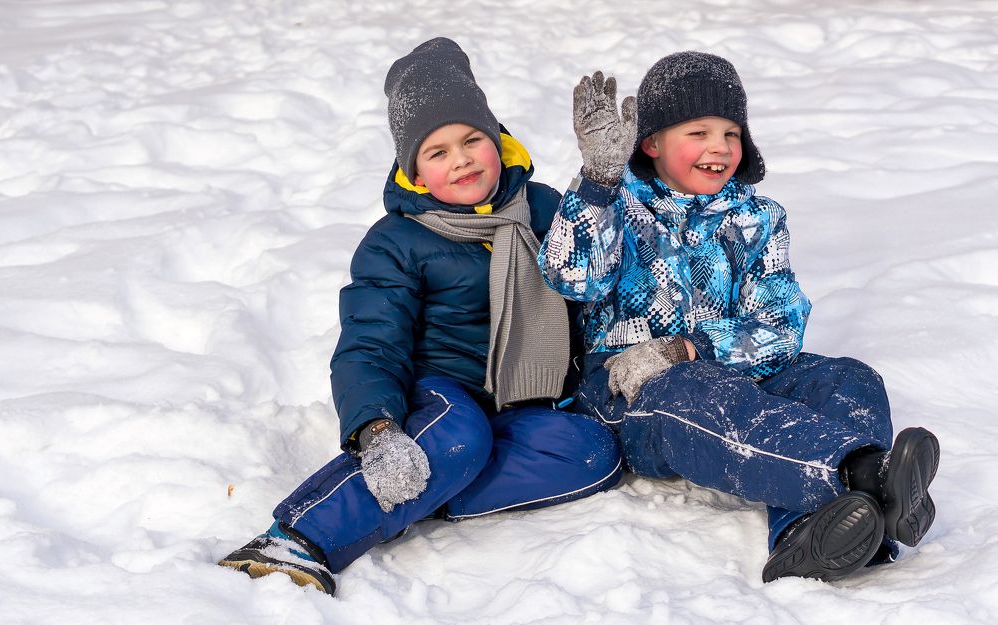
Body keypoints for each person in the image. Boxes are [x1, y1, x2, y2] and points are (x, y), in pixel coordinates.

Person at [218, 38, 621, 595]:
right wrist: (377, 428)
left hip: (523, 400)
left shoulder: (544, 207)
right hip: (437, 396)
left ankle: (421, 491)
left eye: (472, 139)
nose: (461, 159)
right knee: (457, 434)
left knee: (591, 454)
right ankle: (300, 538)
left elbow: (596, 271)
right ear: (414, 171)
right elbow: (369, 345)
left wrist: (602, 185)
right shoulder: (396, 243)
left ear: (498, 141)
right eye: (437, 152)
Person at [537, 51, 940, 583]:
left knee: (847, 377)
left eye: (731, 133)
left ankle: (812, 532)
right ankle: (866, 475)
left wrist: (691, 347)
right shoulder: (617, 207)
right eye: (698, 132)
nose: (719, 147)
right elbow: (569, 277)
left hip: (727, 365)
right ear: (651, 143)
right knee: (706, 393)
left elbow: (780, 325)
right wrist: (597, 182)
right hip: (631, 388)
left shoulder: (757, 218)